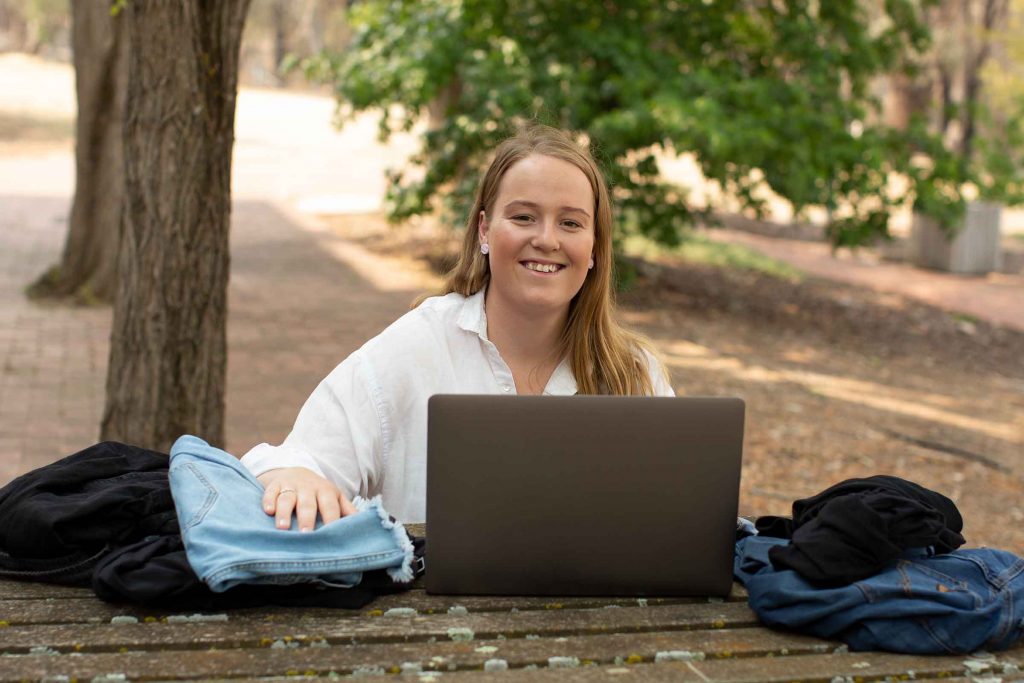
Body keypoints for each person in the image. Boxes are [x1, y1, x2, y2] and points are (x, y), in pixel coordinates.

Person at [241, 124, 674, 528]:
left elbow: (673, 515)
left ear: (594, 246)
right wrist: (295, 474)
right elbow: (295, 462)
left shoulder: (635, 372)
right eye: (523, 217)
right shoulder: (416, 347)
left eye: (571, 222)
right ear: (485, 231)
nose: (547, 239)